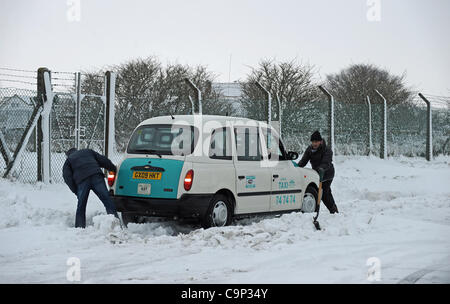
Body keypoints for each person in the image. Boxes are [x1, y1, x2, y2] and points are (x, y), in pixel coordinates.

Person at [63, 148, 119, 228]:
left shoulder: (69, 160)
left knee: (81, 206)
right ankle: (115, 224)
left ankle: (80, 227)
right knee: (107, 200)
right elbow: (103, 160)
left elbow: (67, 177)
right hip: (96, 176)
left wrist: (76, 190)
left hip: (82, 180)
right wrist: (113, 168)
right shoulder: (87, 151)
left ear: (67, 155)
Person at [298, 131, 339, 214]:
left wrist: (321, 169)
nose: (314, 144)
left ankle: (332, 210)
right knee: (325, 193)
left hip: (327, 174)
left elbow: (326, 162)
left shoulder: (327, 150)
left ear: (320, 141)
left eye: (316, 142)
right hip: (317, 174)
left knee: (323, 193)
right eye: (313, 142)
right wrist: (297, 167)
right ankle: (333, 209)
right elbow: (303, 161)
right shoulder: (310, 150)